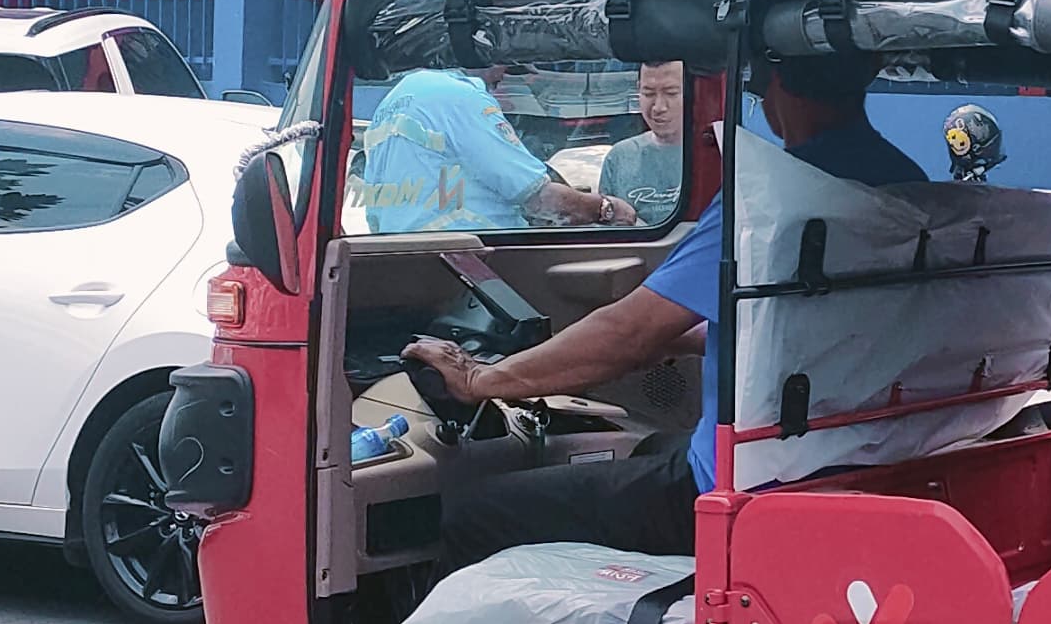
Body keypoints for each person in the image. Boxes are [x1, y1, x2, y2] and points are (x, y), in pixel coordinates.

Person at [406, 53, 923, 564]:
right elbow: (830, 321)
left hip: (743, 488)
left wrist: (479, 379)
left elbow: (629, 335)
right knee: (651, 447)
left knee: (474, 513)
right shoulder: (905, 180)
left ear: (774, 91)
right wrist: (690, 337)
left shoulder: (772, 199)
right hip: (855, 457)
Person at [351, 66, 637, 234]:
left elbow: (376, 218)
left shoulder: (392, 103)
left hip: (412, 262)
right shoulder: (461, 96)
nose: (504, 74)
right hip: (475, 266)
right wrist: (605, 209)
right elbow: (539, 197)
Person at [598, 57, 687, 225]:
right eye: (649, 94)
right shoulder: (619, 157)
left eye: (671, 93)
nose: (658, 107)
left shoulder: (714, 153)